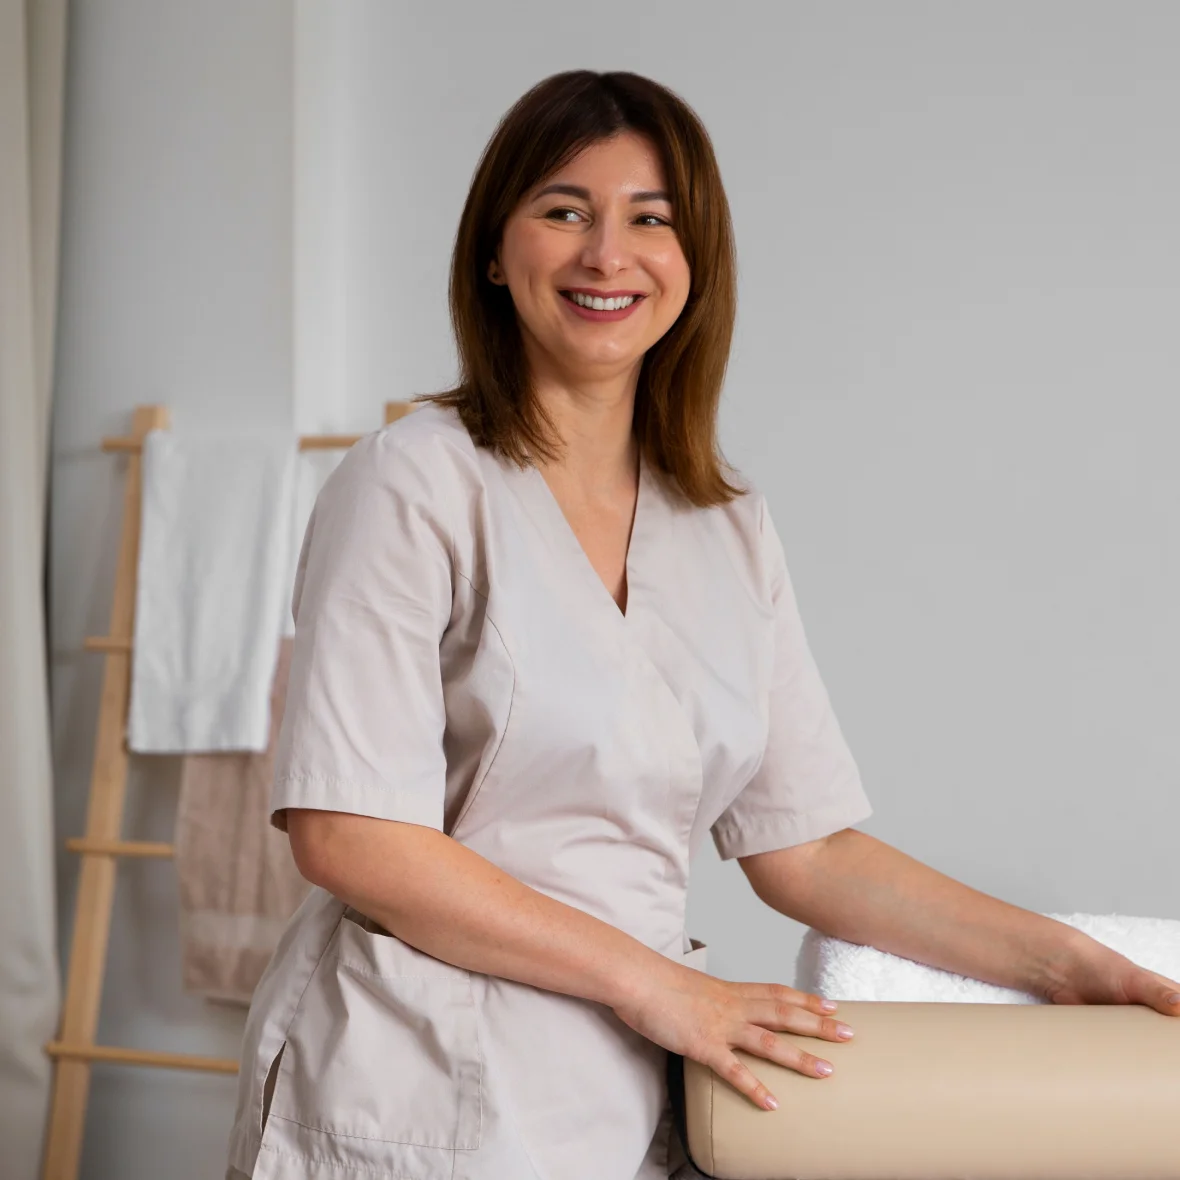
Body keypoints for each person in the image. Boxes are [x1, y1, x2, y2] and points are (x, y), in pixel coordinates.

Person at [223, 68, 1180, 1180]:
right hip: (410, 1080)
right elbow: (351, 835)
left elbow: (805, 848)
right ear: (493, 249)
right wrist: (661, 987)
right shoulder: (412, 484)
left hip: (634, 1087)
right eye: (564, 211)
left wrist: (1067, 964)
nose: (606, 255)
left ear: (695, 262)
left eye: (651, 219)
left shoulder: (724, 524)